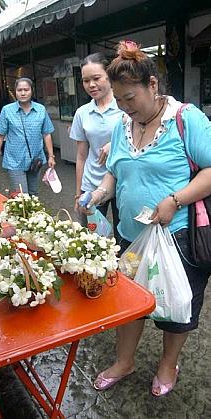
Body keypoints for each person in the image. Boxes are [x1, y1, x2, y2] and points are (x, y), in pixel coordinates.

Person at [83, 41, 211, 396]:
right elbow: (114, 172)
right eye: (119, 99)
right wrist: (99, 194)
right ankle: (125, 361)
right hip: (131, 236)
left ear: (152, 85)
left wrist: (175, 199)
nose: (124, 107)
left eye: (130, 98)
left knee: (176, 305)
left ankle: (168, 364)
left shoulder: (185, 119)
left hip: (178, 238)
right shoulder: (121, 125)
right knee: (128, 303)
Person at [69, 53, 122, 235]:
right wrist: (78, 193)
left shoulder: (126, 108)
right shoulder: (82, 113)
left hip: (121, 183)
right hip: (91, 183)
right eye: (86, 81)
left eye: (96, 78)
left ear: (109, 76)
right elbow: (81, 155)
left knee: (122, 237)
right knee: (91, 238)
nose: (91, 85)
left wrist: (114, 144)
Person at [0, 77, 55, 196]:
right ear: (15, 92)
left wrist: (51, 156)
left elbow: (47, 133)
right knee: (22, 196)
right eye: (19, 90)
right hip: (14, 160)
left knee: (33, 194)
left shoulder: (40, 110)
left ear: (31, 91)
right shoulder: (7, 110)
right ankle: (21, 213)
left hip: (35, 159)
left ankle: (33, 215)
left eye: (26, 89)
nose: (23, 93)